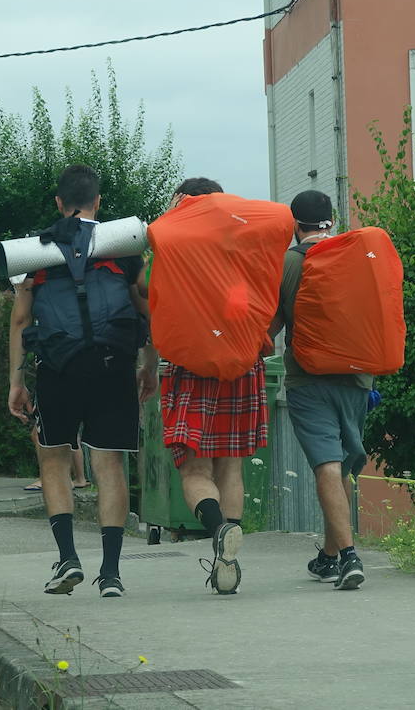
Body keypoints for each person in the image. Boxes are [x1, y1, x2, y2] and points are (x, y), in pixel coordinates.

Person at [8, 164, 157, 598]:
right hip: (114, 364)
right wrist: (148, 365)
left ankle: (68, 558)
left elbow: (21, 319)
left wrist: (16, 382)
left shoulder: (35, 252)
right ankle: (110, 573)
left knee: (53, 458)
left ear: (58, 202)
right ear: (98, 202)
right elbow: (146, 309)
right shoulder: (124, 246)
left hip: (58, 367)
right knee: (109, 464)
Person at [146, 177, 271, 596]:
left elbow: (152, 295)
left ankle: (218, 531)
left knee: (195, 469)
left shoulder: (175, 242)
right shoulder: (246, 240)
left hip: (192, 364)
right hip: (242, 360)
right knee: (230, 464)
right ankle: (226, 560)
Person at [267, 190, 370, 591]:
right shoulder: (356, 256)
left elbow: (270, 330)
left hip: (309, 380)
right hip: (359, 377)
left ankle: (348, 556)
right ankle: (330, 556)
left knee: (326, 463)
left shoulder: (291, 263)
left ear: (295, 224)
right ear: (332, 220)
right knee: (342, 464)